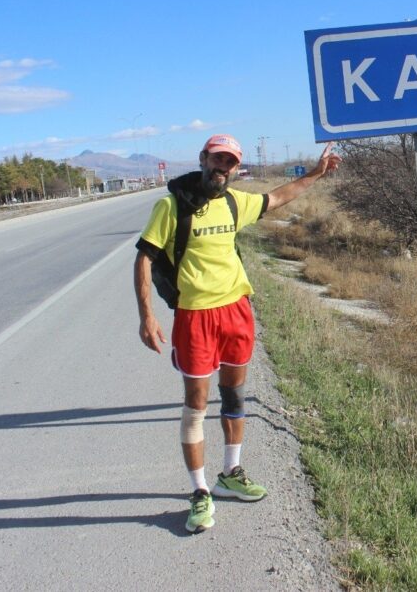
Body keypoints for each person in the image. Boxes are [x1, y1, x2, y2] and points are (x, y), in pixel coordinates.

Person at [133, 134, 341, 533]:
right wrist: (147, 316)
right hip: (195, 316)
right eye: (217, 160)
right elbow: (145, 258)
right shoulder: (170, 205)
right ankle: (199, 492)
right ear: (203, 159)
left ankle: (231, 472)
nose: (222, 168)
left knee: (234, 394)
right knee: (196, 404)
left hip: (236, 311)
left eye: (229, 163)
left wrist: (316, 173)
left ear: (235, 167)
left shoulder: (234, 201)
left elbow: (278, 198)